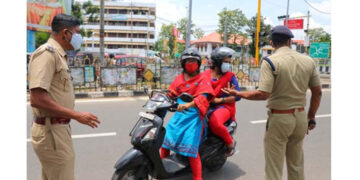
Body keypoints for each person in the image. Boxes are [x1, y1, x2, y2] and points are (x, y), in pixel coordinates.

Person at [222, 25, 322, 180]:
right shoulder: (308, 61)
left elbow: (263, 94)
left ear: (272, 43)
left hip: (280, 119)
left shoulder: (270, 61)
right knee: (296, 165)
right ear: (290, 41)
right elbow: (318, 92)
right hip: (301, 118)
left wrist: (238, 93)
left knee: (274, 168)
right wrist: (311, 117)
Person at [29, 14, 101, 180]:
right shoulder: (46, 54)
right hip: (51, 131)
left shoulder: (59, 55)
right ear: (66, 33)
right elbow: (37, 98)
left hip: (57, 129)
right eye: (77, 33)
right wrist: (77, 115)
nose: (79, 38)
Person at [160, 48, 214, 180]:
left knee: (191, 150)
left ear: (198, 63)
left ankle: (198, 177)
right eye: (188, 61)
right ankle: (162, 170)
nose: (190, 63)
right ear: (183, 63)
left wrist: (189, 105)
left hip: (194, 116)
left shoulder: (203, 78)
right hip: (180, 114)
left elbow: (203, 97)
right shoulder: (179, 79)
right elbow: (171, 93)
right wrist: (161, 97)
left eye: (193, 61)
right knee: (166, 139)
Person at [203, 47, 241, 156]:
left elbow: (238, 96)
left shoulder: (230, 76)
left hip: (224, 107)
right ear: (217, 62)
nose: (227, 65)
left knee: (215, 122)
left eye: (228, 62)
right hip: (205, 105)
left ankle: (230, 143)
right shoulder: (204, 75)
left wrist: (220, 99)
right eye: (225, 62)